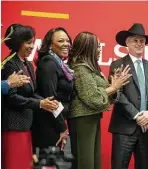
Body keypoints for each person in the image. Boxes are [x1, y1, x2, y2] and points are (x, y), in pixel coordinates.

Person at [67, 31, 131, 169]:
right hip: (82, 119)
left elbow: (105, 94)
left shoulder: (90, 69)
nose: (100, 49)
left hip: (91, 119)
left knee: (93, 162)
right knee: (85, 163)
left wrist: (114, 84)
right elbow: (93, 98)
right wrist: (113, 87)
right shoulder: (80, 69)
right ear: (88, 47)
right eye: (97, 46)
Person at [108, 23, 148, 169]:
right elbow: (117, 95)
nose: (139, 44)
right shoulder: (117, 65)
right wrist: (137, 116)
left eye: (142, 41)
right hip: (124, 128)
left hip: (146, 129)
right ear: (127, 43)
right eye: (135, 40)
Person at [1, 24, 59, 169]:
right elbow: (12, 98)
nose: (32, 46)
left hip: (27, 125)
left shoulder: (27, 63)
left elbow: (31, 92)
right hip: (14, 126)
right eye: (28, 42)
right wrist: (40, 104)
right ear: (17, 43)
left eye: (33, 42)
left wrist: (45, 101)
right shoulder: (10, 65)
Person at [32, 27, 73, 152]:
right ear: (50, 44)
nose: (66, 44)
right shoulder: (49, 63)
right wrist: (61, 127)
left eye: (67, 40)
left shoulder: (58, 63)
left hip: (55, 122)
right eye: (61, 41)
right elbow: (51, 99)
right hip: (48, 125)